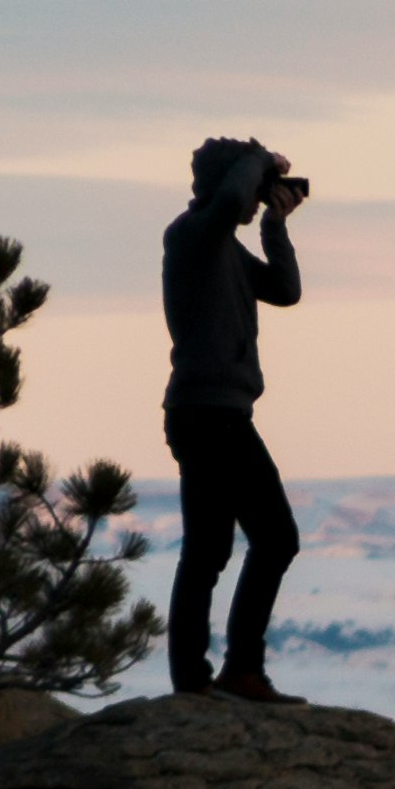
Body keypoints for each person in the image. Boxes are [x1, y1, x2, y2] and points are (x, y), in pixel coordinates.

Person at [162, 135, 307, 701]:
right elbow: (226, 205)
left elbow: (286, 291)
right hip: (210, 414)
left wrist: (275, 222)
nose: (251, 200)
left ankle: (195, 681)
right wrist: (263, 159)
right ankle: (238, 671)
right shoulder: (192, 235)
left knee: (209, 550)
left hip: (211, 412)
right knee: (275, 540)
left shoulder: (225, 249)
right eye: (249, 191)